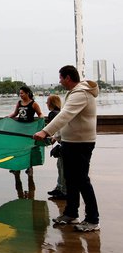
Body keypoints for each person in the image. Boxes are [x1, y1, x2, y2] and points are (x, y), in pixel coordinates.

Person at [33, 65, 100, 232]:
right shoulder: (75, 92)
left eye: (61, 78)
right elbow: (70, 120)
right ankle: (71, 213)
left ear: (68, 78)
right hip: (71, 142)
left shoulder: (81, 93)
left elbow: (65, 115)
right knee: (70, 179)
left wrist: (45, 131)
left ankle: (93, 220)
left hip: (81, 143)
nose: (60, 81)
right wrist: (57, 137)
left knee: (82, 180)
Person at [7, 86, 43, 191]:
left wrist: (41, 120)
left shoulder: (33, 104)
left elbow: (40, 114)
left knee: (29, 148)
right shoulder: (19, 103)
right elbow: (15, 114)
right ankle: (16, 167)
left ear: (27, 93)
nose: (20, 95)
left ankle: (29, 167)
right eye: (20, 93)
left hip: (29, 130)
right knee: (18, 148)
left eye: (22, 93)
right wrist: (7, 118)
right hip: (20, 129)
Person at [45, 95, 66, 200]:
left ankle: (63, 190)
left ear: (51, 103)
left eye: (47, 102)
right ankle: (60, 188)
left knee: (62, 168)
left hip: (63, 142)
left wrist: (53, 137)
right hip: (63, 141)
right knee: (60, 166)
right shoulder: (61, 112)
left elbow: (55, 128)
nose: (46, 104)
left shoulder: (52, 114)